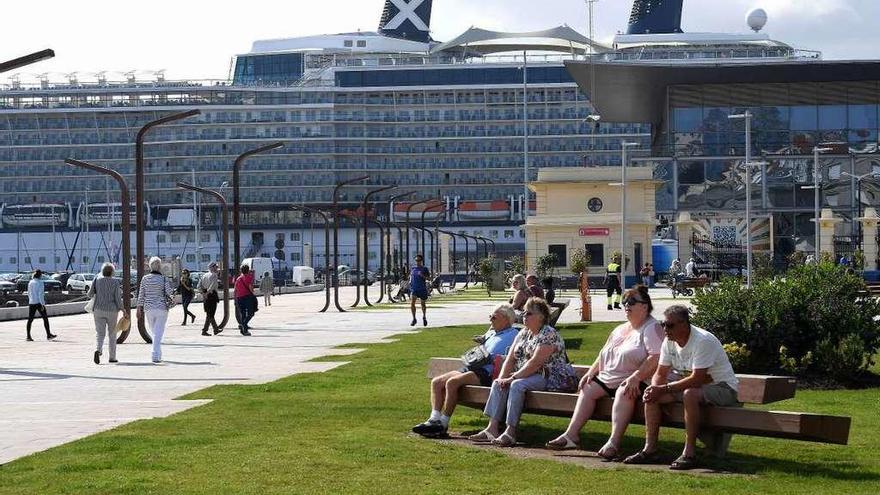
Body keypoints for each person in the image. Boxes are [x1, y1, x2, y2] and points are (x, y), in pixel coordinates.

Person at [546, 286, 663, 459]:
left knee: (624, 392)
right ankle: (571, 435)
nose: (626, 306)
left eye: (631, 302)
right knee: (588, 388)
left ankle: (613, 443)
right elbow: (604, 353)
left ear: (645, 306)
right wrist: (591, 372)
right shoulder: (620, 328)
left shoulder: (651, 328)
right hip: (609, 378)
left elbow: (657, 356)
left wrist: (636, 377)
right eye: (624, 302)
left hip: (635, 381)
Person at [623, 305, 740, 470]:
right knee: (651, 396)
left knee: (690, 394)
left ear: (684, 324)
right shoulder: (669, 342)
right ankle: (650, 449)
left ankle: (689, 453)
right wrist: (655, 389)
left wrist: (663, 389)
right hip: (691, 387)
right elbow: (660, 372)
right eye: (663, 324)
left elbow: (697, 379)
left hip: (723, 389)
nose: (665, 329)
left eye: (669, 325)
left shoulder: (703, 341)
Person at [470, 298, 577, 447]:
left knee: (517, 385)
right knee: (498, 383)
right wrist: (502, 378)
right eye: (524, 313)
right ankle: (492, 428)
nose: (524, 316)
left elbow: (536, 363)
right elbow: (511, 359)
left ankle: (510, 432)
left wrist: (512, 377)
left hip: (549, 376)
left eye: (529, 313)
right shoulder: (523, 333)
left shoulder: (549, 334)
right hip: (527, 374)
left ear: (540, 317)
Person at [412, 304, 519, 438]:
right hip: (473, 367)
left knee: (452, 383)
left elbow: (515, 356)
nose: (491, 319)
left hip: (487, 373)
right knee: (437, 382)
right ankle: (433, 420)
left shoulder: (514, 334)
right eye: (490, 316)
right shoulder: (491, 333)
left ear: (506, 319)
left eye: (494, 317)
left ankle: (443, 423)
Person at [138, 257, 174, 363]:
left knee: (154, 332)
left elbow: (141, 295)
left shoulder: (145, 279)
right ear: (159, 267)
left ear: (150, 266)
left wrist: (139, 308)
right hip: (162, 308)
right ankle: (155, 354)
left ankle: (158, 354)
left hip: (148, 308)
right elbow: (169, 293)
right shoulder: (163, 279)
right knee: (158, 333)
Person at [88, 263, 123, 364]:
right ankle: (112, 357)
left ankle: (98, 350)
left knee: (100, 333)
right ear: (112, 272)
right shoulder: (115, 282)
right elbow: (117, 298)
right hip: (112, 311)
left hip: (98, 309)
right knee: (112, 334)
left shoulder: (97, 279)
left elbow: (89, 294)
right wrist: (123, 309)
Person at [26, 269, 56, 341]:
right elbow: (40, 295)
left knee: (30, 319)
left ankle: (28, 336)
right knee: (45, 319)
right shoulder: (40, 282)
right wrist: (43, 304)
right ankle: (48, 335)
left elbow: (29, 293)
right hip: (39, 303)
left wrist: (31, 300)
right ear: (40, 275)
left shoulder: (30, 282)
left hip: (31, 303)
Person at [199, 262, 222, 336]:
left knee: (209, 313)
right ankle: (207, 330)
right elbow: (212, 286)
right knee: (211, 313)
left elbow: (199, 286)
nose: (216, 268)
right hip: (211, 295)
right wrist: (207, 293)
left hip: (205, 295)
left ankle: (214, 329)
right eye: (215, 267)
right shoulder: (214, 275)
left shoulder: (204, 275)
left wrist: (203, 293)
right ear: (212, 267)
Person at [234, 264, 256, 336]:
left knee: (243, 313)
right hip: (247, 297)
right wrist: (253, 294)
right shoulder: (249, 277)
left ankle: (244, 331)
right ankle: (243, 324)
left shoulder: (238, 279)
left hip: (239, 298)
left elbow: (235, 290)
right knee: (251, 313)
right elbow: (250, 287)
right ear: (248, 270)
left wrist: (235, 299)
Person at [409, 254, 430, 327]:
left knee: (423, 304)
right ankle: (414, 319)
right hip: (414, 289)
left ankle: (424, 317)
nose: (417, 262)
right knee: (412, 303)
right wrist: (410, 281)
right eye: (416, 260)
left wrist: (422, 275)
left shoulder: (424, 269)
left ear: (421, 261)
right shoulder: (413, 268)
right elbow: (411, 276)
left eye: (419, 260)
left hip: (422, 289)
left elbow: (429, 279)